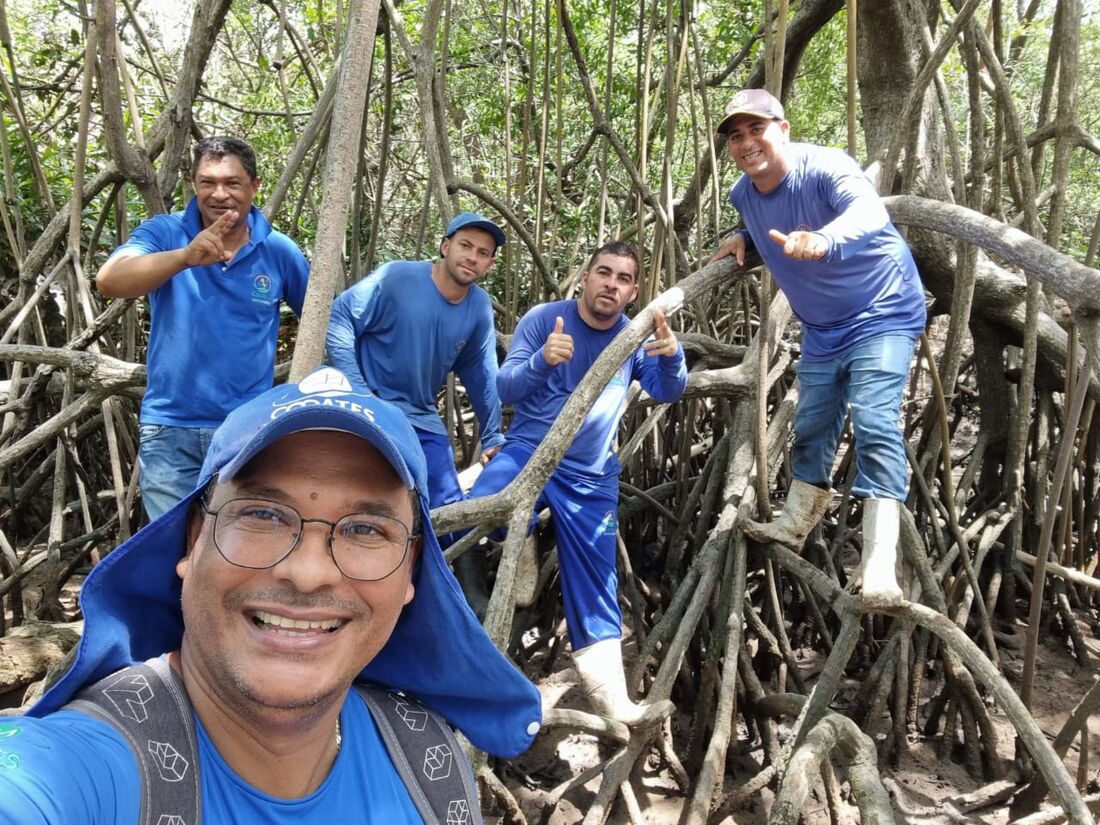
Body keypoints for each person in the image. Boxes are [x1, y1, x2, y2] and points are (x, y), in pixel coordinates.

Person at [0, 367, 541, 823]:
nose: (307, 573)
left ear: (409, 573)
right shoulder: (82, 769)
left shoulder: (428, 761)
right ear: (193, 540)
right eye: (262, 514)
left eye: (364, 529)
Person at [711, 88, 927, 607]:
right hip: (822, 329)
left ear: (783, 130)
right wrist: (743, 237)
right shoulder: (742, 192)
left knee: (874, 420)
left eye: (757, 129)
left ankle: (879, 564)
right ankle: (794, 523)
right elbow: (759, 216)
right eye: (735, 136)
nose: (746, 142)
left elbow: (869, 212)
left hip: (884, 310)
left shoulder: (827, 166)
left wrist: (826, 239)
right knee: (811, 424)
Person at [467, 241, 687, 725]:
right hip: (527, 452)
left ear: (633, 292)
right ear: (584, 278)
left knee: (597, 579)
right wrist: (543, 360)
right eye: (603, 272)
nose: (611, 284)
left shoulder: (633, 335)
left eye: (623, 278)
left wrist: (672, 357)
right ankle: (517, 548)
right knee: (482, 506)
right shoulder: (545, 320)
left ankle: (610, 697)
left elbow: (667, 390)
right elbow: (504, 387)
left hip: (590, 474)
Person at [96, 136, 310, 522]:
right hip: (169, 428)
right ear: (193, 184)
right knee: (174, 543)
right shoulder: (165, 233)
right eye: (207, 182)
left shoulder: (279, 251)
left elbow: (321, 321)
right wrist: (185, 257)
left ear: (255, 186)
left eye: (232, 183)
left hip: (246, 430)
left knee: (238, 543)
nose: (219, 194)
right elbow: (110, 280)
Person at [326, 212, 506, 515]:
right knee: (364, 502)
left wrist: (493, 436)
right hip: (368, 408)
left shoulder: (478, 307)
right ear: (445, 247)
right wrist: (357, 392)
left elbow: (482, 373)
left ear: (490, 264)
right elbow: (340, 318)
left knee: (445, 510)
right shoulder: (396, 277)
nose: (472, 257)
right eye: (465, 246)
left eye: (482, 253)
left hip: (421, 417)